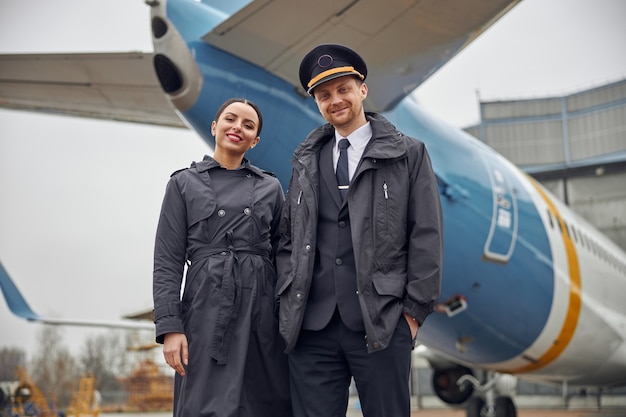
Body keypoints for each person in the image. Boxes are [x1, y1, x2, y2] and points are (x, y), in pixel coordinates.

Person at [276, 44, 443, 417]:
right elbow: (289, 239)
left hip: (380, 323)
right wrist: (286, 302)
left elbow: (426, 235)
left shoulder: (409, 155)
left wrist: (412, 313)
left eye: (343, 89)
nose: (335, 100)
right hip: (311, 328)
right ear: (317, 103)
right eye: (324, 95)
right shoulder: (305, 161)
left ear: (362, 89)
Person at [153, 98, 292, 417]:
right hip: (204, 311)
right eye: (230, 119)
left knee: (263, 404)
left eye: (248, 125)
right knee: (203, 404)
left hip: (260, 317)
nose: (237, 128)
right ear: (215, 127)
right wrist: (170, 327)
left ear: (255, 140)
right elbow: (167, 260)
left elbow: (283, 258)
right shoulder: (182, 184)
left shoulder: (270, 187)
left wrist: (285, 319)